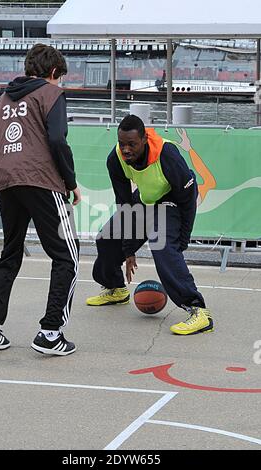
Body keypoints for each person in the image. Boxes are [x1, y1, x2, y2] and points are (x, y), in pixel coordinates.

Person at [0, 43, 81, 355]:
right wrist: (71, 182)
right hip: (41, 180)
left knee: (10, 254)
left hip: (6, 180)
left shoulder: (3, 101)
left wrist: (4, 172)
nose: (60, 82)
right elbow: (57, 139)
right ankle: (50, 332)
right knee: (67, 256)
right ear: (52, 73)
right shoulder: (51, 94)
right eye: (59, 77)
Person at [86, 114, 213, 335]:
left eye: (131, 144)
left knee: (161, 245)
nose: (126, 149)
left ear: (144, 139)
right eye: (122, 143)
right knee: (105, 239)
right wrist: (128, 249)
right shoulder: (115, 159)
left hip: (171, 200)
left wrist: (182, 240)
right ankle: (116, 289)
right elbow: (124, 203)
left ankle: (198, 311)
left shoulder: (167, 155)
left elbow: (188, 199)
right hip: (144, 201)